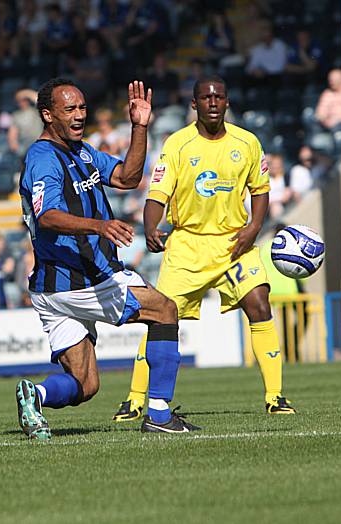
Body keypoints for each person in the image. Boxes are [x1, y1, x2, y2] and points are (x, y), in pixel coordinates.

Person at [16, 77, 200, 440]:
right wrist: (98, 227)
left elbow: (128, 177)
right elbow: (47, 215)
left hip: (53, 292)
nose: (79, 114)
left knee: (85, 385)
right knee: (164, 310)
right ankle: (160, 413)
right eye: (70, 109)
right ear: (48, 115)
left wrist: (139, 127)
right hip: (81, 279)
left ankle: (34, 394)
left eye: (82, 107)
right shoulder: (42, 158)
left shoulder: (83, 152)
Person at [113, 76, 296, 423]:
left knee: (259, 303)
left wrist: (253, 228)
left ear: (227, 103)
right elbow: (157, 194)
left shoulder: (248, 142)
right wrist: (151, 226)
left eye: (219, 97)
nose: (213, 102)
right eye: (205, 98)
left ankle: (275, 396)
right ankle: (136, 399)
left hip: (233, 243)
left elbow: (260, 190)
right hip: (187, 244)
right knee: (160, 317)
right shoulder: (177, 145)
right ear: (194, 104)